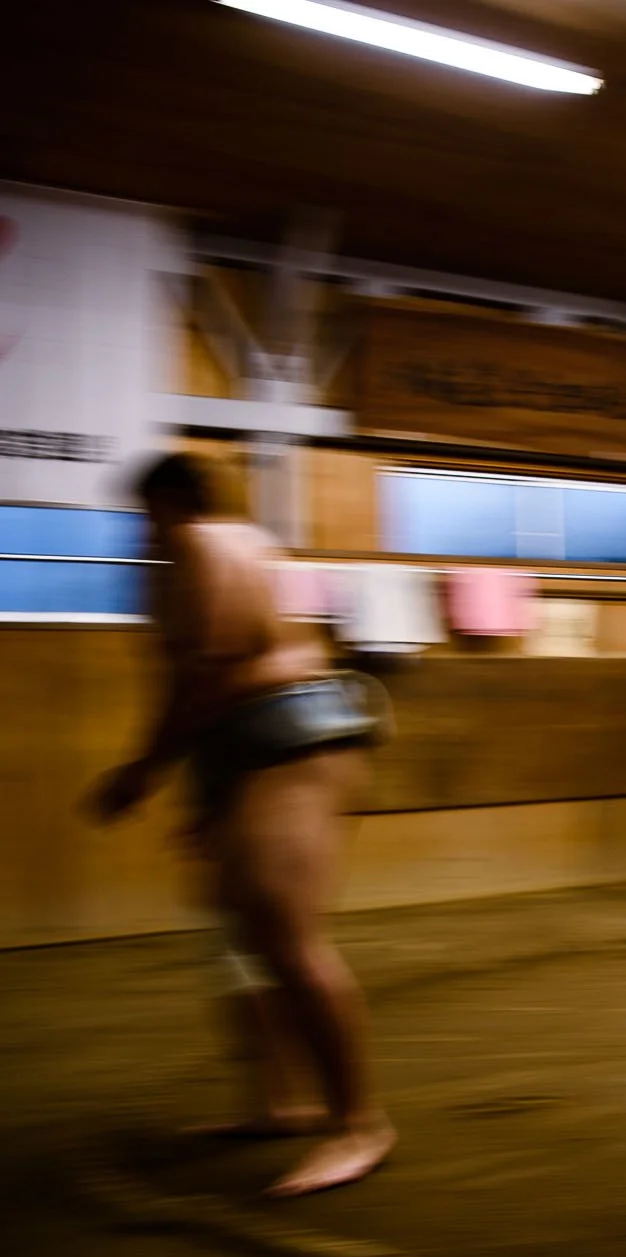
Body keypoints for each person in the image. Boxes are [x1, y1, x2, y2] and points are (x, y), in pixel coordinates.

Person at [87, 451, 393, 1197]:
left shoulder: (203, 542)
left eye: (146, 511)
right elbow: (209, 687)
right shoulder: (232, 543)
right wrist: (201, 798)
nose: (142, 528)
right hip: (249, 749)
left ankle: (360, 1125)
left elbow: (204, 676)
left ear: (172, 501)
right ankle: (280, 1101)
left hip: (289, 741)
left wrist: (141, 772)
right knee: (236, 927)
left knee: (287, 939)